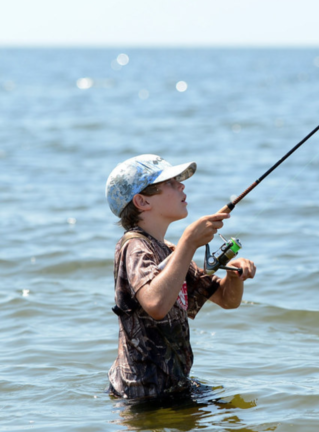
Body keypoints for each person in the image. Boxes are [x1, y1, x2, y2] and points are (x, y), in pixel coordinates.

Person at [104, 154, 256, 400]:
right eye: (170, 184)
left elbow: (227, 300)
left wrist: (235, 276)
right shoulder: (133, 246)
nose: (181, 186)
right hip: (140, 395)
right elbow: (156, 304)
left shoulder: (170, 250)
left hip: (173, 386)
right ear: (142, 201)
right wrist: (189, 241)